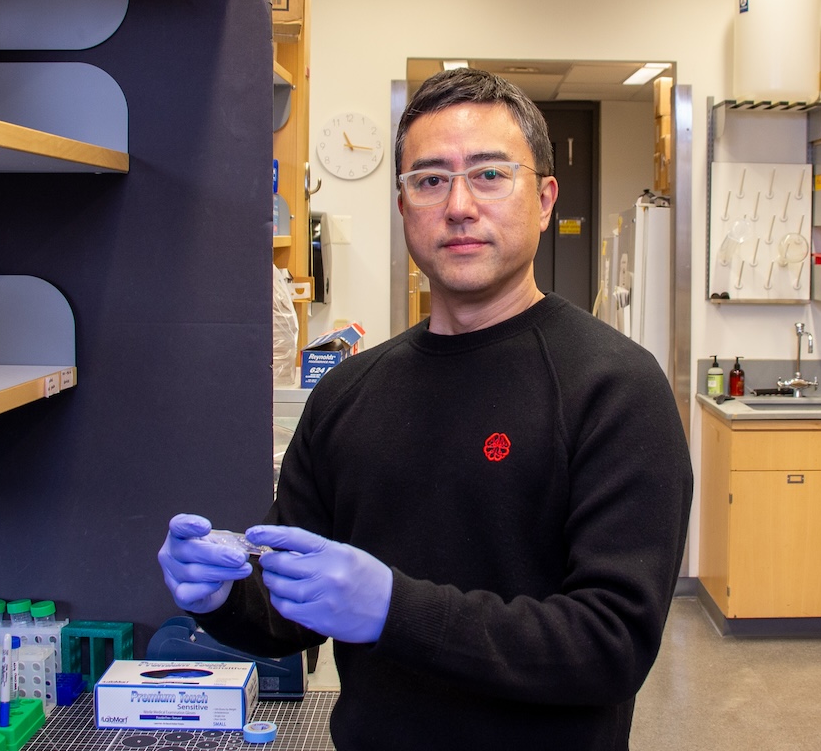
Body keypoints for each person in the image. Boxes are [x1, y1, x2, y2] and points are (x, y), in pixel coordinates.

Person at [158, 68, 693, 750]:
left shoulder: (615, 387)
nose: (460, 204)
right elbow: (287, 612)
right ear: (404, 204)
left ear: (545, 198)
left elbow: (610, 644)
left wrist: (391, 608)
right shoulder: (349, 396)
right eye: (431, 179)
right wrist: (218, 595)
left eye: (491, 174)